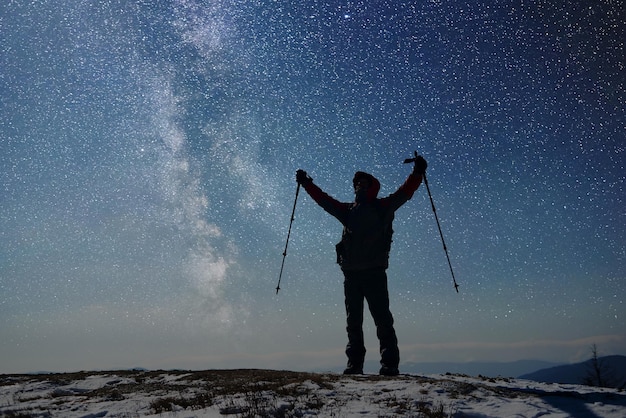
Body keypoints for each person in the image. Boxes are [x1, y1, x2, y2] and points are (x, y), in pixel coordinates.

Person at [295, 155, 427, 376]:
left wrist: (417, 173)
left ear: (371, 187)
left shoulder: (380, 206)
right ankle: (360, 365)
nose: (358, 186)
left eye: (363, 183)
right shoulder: (352, 210)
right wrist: (308, 184)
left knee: (378, 320)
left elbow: (405, 193)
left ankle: (385, 365)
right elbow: (324, 200)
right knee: (357, 322)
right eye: (357, 183)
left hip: (369, 273)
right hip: (355, 274)